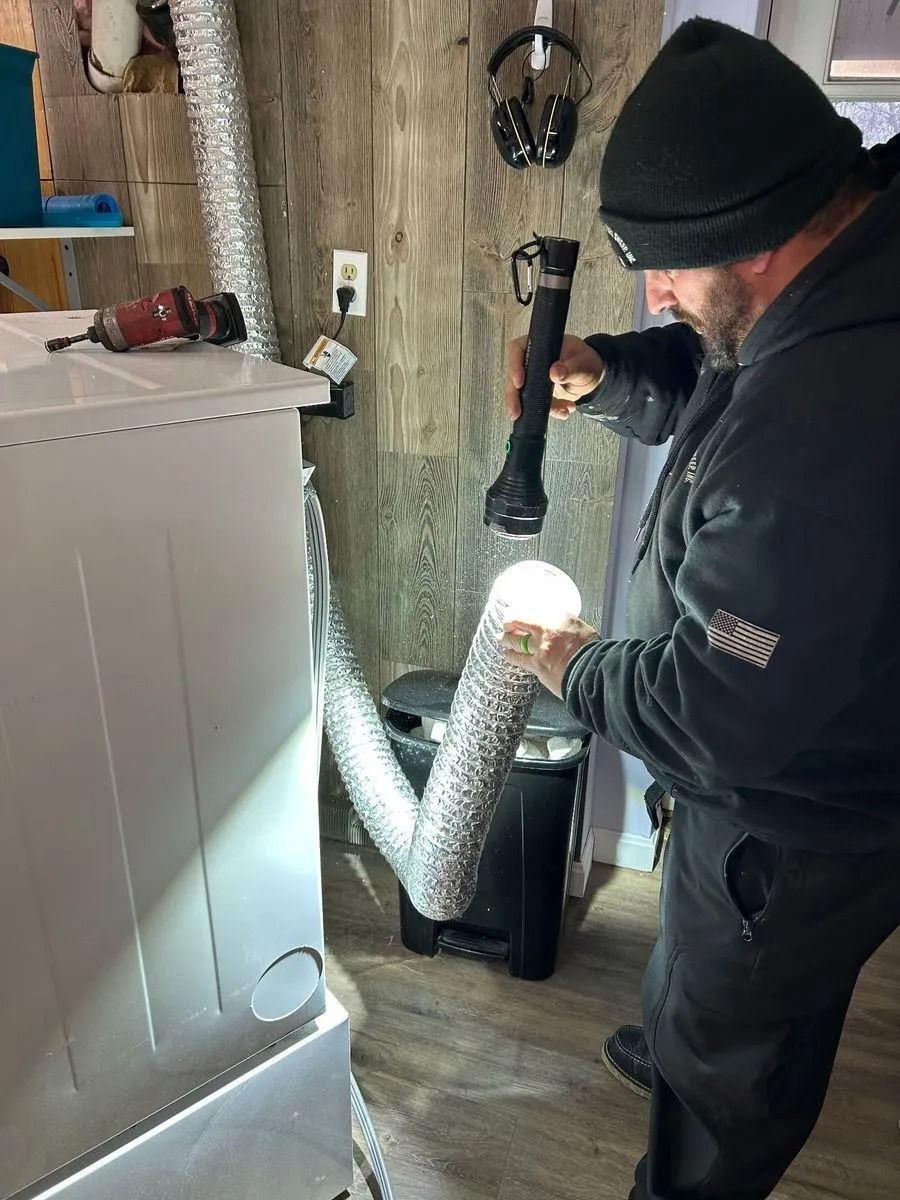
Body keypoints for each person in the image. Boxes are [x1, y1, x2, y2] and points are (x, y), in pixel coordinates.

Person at [499, 18, 900, 1200]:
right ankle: (692, 1030)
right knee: (711, 985)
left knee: (738, 1061)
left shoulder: (823, 435)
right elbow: (723, 371)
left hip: (791, 825)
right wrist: (610, 370)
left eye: (667, 265)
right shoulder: (842, 256)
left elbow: (717, 711)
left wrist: (572, 665)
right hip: (790, 776)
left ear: (758, 242)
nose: (656, 289)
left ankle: (698, 1129)